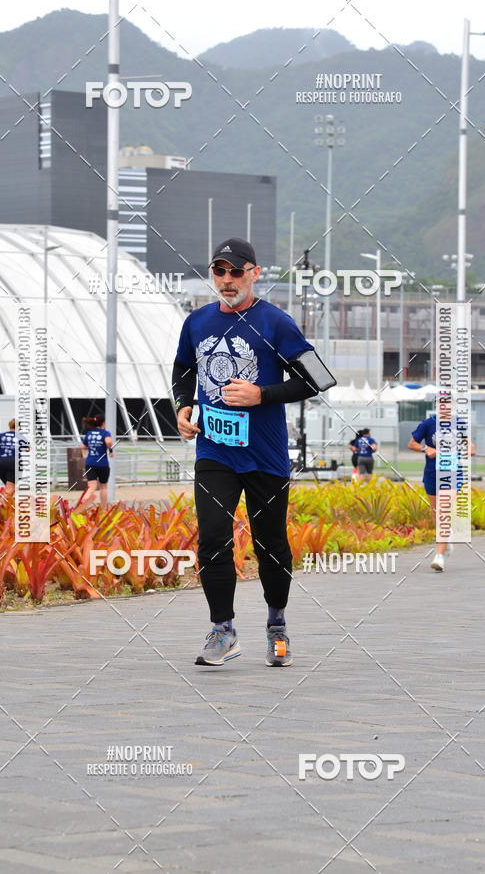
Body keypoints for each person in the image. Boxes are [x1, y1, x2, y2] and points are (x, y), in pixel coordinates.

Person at [173, 237, 334, 667]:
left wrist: (262, 394)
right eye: (219, 271)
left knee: (270, 545)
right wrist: (183, 405)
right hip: (215, 453)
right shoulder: (197, 322)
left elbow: (318, 378)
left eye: (236, 271)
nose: (227, 280)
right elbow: (183, 368)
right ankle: (223, 630)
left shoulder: (275, 322)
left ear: (254, 274)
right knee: (212, 538)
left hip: (265, 455)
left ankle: (277, 626)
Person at [408, 413, 475, 571]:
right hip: (432, 474)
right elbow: (412, 444)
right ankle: (446, 540)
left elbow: (470, 445)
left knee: (443, 510)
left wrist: (469, 449)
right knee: (436, 514)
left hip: (453, 473)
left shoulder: (459, 423)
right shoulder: (428, 423)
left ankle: (439, 556)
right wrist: (426, 448)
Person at [74, 415, 113, 513]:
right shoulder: (105, 433)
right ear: (103, 423)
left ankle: (81, 505)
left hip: (90, 462)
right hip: (102, 463)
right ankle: (103, 509)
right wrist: (110, 450)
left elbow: (83, 446)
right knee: (103, 486)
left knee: (91, 486)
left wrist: (92, 446)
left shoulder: (89, 433)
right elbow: (108, 442)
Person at [0, 418, 17, 496]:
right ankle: (2, 501)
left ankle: (2, 498)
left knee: (8, 486)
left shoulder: (1, 435)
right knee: (11, 487)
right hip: (13, 462)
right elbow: (28, 448)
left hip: (1, 462)